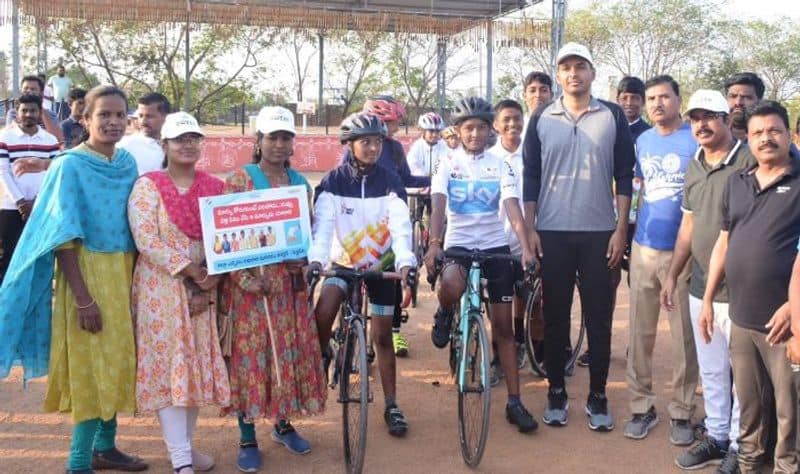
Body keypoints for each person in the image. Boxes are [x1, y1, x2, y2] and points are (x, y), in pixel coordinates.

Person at [0, 85, 147, 473]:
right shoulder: (69, 165)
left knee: (117, 358)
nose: (113, 122)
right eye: (104, 115)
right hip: (86, 273)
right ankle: (78, 462)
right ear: (85, 119)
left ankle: (106, 447)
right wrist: (83, 298)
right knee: (91, 364)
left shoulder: (127, 163)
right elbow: (63, 236)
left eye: (120, 115)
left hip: (124, 272)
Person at [522, 42, 635, 431]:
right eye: (566, 67)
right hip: (551, 232)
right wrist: (531, 228)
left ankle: (598, 395)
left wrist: (621, 229)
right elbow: (531, 176)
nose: (573, 73)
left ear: (592, 72)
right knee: (555, 318)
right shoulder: (541, 117)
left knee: (599, 319)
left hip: (600, 233)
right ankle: (556, 391)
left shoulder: (613, 115)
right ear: (558, 74)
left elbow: (623, 174)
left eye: (580, 66)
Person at [221, 106, 325, 473]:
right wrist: (248, 280)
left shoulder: (300, 183)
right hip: (249, 289)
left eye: (286, 138)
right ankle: (247, 435)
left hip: (287, 289)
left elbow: (304, 233)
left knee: (286, 354)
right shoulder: (239, 181)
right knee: (251, 360)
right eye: (273, 137)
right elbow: (225, 240)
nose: (280, 144)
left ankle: (282, 424)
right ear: (258, 141)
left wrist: (302, 259)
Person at [425, 96, 538, 433]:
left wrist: (527, 247)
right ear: (458, 131)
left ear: (491, 131)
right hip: (458, 245)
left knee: (504, 328)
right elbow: (438, 202)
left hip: (494, 246)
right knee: (451, 284)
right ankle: (446, 311)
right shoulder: (446, 162)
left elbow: (512, 206)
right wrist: (434, 244)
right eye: (468, 128)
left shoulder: (499, 165)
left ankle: (515, 402)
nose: (474, 133)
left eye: (481, 128)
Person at [129, 111, 230, 474]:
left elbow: (226, 239)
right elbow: (146, 240)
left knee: (195, 367)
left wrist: (213, 277)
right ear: (165, 144)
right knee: (170, 367)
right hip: (163, 290)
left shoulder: (216, 188)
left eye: (193, 138)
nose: (187, 145)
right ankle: (181, 459)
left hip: (205, 289)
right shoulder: (148, 186)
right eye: (179, 139)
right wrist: (191, 272)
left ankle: (184, 448)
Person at [701, 100, 798, 473]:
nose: (766, 139)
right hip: (740, 319)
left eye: (774, 130)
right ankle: (751, 464)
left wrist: (794, 307)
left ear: (788, 134)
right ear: (749, 139)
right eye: (757, 133)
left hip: (786, 324)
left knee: (790, 414)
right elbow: (724, 243)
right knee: (751, 408)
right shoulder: (736, 183)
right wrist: (709, 298)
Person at [661, 89, 753, 473]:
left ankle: (740, 445)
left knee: (743, 374)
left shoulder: (750, 159)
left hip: (745, 287)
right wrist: (672, 274)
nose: (702, 124)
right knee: (712, 367)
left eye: (710, 116)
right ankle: (717, 436)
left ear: (727, 118)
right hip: (701, 285)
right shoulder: (695, 163)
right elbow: (688, 225)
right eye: (695, 118)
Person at [309, 112, 415, 437]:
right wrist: (316, 260)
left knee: (382, 336)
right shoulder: (332, 181)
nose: (372, 148)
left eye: (377, 142)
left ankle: (392, 404)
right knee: (324, 308)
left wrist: (405, 262)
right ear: (349, 144)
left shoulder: (390, 180)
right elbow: (323, 228)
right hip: (343, 264)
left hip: (382, 267)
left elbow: (400, 225)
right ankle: (325, 351)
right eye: (365, 142)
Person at [622, 75, 699, 445]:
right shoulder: (643, 141)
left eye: (664, 97)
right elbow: (638, 188)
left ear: (678, 100)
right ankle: (641, 406)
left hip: (684, 251)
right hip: (644, 247)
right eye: (651, 98)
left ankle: (683, 412)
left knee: (684, 335)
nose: (656, 104)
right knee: (640, 332)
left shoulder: (695, 140)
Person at [577, 75, 653, 369]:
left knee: (641, 287)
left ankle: (637, 347)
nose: (630, 103)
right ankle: (599, 347)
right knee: (603, 286)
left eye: (636, 98)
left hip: (641, 222)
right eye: (624, 97)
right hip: (606, 219)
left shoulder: (649, 135)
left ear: (642, 102)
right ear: (617, 99)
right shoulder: (603, 127)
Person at [359, 95, 427, 358]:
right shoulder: (356, 144)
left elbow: (407, 178)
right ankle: (348, 331)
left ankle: (395, 332)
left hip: (391, 221)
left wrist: (437, 177)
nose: (398, 124)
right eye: (394, 120)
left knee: (395, 279)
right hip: (361, 224)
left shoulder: (396, 148)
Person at [488, 99, 536, 386]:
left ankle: (532, 351)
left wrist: (533, 233)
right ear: (496, 125)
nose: (512, 125)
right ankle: (498, 359)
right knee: (499, 306)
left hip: (527, 239)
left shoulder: (531, 157)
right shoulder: (489, 157)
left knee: (531, 301)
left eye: (517, 119)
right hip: (497, 242)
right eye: (506, 119)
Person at [0, 94, 61, 285]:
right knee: (10, 254)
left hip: (42, 207)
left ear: (39, 112)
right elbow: (3, 172)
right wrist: (20, 202)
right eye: (24, 110)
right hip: (11, 207)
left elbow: (56, 172)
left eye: (33, 110)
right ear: (17, 112)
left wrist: (37, 201)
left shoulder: (50, 140)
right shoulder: (5, 138)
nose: (28, 114)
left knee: (37, 255)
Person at [118, 92, 171, 175]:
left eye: (149, 116)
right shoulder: (124, 147)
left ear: (166, 117)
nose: (143, 121)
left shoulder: (178, 146)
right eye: (141, 116)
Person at [5, 74, 64, 142]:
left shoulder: (51, 115)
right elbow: (9, 135)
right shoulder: (13, 113)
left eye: (33, 89)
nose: (29, 91)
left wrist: (41, 111)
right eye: (25, 88)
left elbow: (57, 139)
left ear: (41, 93)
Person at [723, 73, 764, 142]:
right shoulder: (712, 137)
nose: (738, 103)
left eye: (746, 97)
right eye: (733, 96)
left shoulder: (768, 139)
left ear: (759, 101)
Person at [407, 112, 448, 179]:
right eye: (431, 131)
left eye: (437, 131)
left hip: (439, 181)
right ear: (423, 131)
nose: (434, 135)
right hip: (420, 182)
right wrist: (423, 176)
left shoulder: (444, 146)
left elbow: (447, 164)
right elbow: (411, 165)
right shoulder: (417, 146)